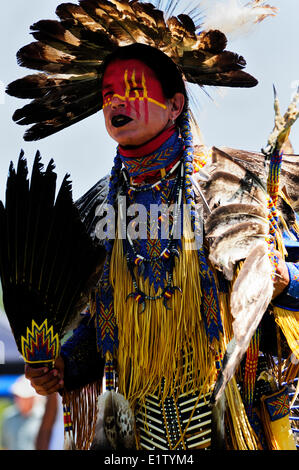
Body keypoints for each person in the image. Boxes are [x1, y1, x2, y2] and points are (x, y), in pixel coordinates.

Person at [6, 1, 298, 451]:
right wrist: (62, 365)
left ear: (175, 103)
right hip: (140, 428)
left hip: (230, 417)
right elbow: (101, 320)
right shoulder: (99, 208)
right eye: (107, 95)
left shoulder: (231, 184)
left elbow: (289, 276)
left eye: (133, 88)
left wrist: (282, 282)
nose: (115, 102)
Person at [0, 375, 45, 450]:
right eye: (17, 396)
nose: (18, 399)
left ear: (32, 398)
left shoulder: (44, 418)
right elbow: (5, 446)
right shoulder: (8, 417)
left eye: (23, 397)